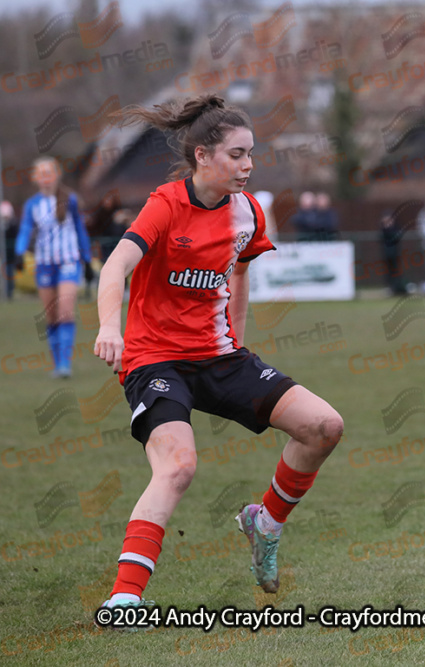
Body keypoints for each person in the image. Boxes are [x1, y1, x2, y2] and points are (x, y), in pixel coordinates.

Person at [92, 94, 344, 617]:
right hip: (155, 360)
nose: (247, 165)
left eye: (251, 154)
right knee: (178, 466)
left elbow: (242, 271)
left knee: (324, 426)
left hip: (221, 357)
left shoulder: (247, 212)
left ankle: (266, 522)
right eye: (236, 154)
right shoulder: (165, 204)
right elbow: (115, 268)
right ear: (203, 156)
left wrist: (240, 342)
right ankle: (124, 599)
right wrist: (108, 329)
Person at [14, 156, 94, 377]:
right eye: (41, 174)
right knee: (51, 316)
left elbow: (80, 231)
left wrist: (87, 260)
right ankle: (56, 362)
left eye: (49, 173)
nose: (45, 178)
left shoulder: (71, 200)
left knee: (66, 311)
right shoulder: (32, 205)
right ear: (35, 178)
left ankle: (64, 365)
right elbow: (25, 230)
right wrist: (19, 252)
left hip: (69, 261)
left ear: (57, 175)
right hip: (44, 264)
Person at [3, 201, 16, 300]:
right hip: (3, 255)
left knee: (9, 272)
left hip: (10, 255)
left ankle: (9, 292)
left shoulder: (13, 224)